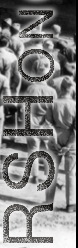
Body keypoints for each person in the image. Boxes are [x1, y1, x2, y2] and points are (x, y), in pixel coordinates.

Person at [45, 78, 76, 212]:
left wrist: (54, 140)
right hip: (71, 138)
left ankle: (48, 201)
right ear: (72, 90)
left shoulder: (52, 103)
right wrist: (68, 145)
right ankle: (71, 204)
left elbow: (47, 123)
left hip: (55, 137)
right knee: (70, 172)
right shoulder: (74, 105)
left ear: (60, 89)